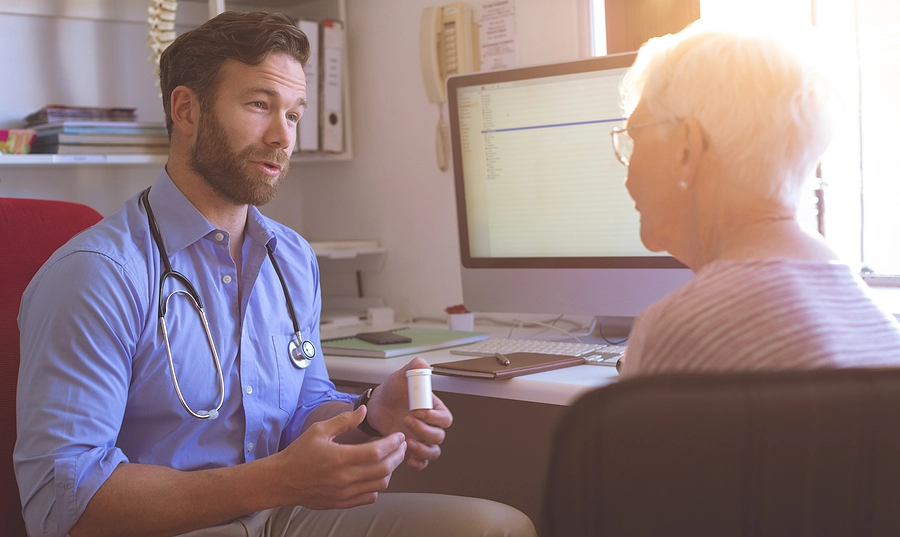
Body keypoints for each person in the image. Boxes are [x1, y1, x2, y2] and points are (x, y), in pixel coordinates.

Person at [14, 11, 537, 537]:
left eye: (293, 114)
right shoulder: (97, 275)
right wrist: (274, 481)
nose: (282, 136)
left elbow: (301, 409)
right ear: (186, 110)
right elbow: (64, 506)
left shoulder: (291, 258)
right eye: (259, 105)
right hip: (174, 528)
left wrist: (369, 416)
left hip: (277, 517)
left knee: (496, 529)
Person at [612, 20, 900, 376]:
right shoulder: (871, 319)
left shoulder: (679, 328)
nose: (628, 176)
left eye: (635, 138)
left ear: (687, 148)